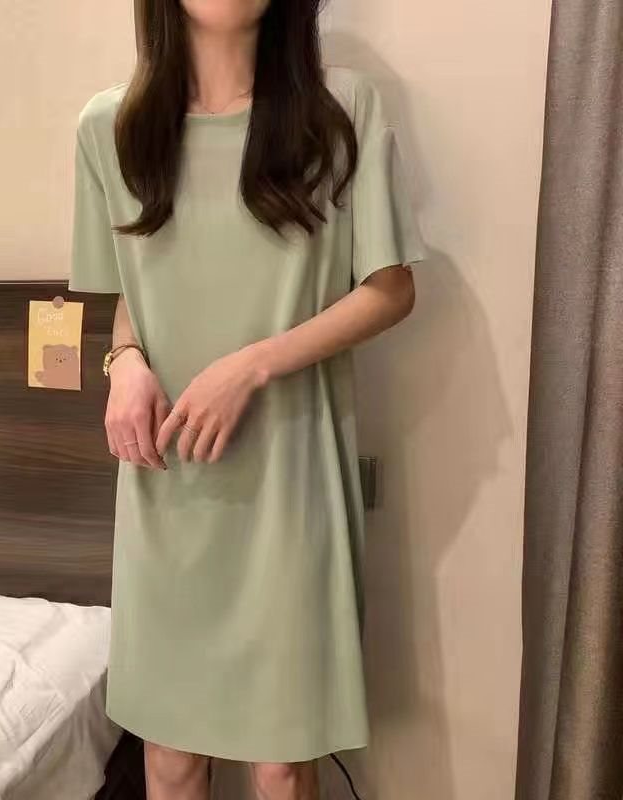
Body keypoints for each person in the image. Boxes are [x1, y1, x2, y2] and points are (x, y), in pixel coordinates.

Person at [69, 1, 428, 798]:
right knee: (170, 756)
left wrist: (254, 366)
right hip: (169, 484)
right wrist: (125, 361)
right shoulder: (109, 130)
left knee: (281, 761)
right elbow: (133, 291)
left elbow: (391, 289)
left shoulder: (341, 110)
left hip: (290, 478)